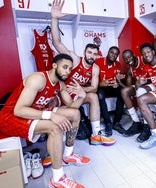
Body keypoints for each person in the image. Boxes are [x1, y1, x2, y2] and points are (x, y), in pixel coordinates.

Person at [0, 54, 87, 187]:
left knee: (75, 114)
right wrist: (50, 115)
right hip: (10, 117)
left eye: (70, 69)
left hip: (35, 111)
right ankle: (57, 179)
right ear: (54, 65)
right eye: (65, 67)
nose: (67, 71)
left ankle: (68, 155)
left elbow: (72, 106)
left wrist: (82, 96)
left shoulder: (60, 84)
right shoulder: (38, 79)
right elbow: (19, 110)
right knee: (55, 127)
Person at [51, 0, 115, 146]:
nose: (92, 56)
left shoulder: (95, 68)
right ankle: (57, 141)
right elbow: (57, 43)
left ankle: (96, 135)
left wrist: (81, 90)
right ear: (84, 53)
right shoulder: (74, 59)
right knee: (56, 103)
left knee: (93, 96)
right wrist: (54, 19)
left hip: (78, 92)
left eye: (94, 54)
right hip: (64, 92)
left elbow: (93, 87)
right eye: (89, 52)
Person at [121, 49, 154, 143]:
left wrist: (141, 83)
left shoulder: (143, 60)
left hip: (152, 85)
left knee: (140, 91)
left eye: (129, 56)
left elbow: (154, 74)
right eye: (125, 59)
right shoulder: (130, 68)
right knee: (124, 92)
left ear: (134, 55)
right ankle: (136, 122)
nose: (128, 60)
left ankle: (147, 126)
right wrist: (122, 81)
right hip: (140, 87)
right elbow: (129, 84)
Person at [95, 46, 125, 136]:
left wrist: (117, 83)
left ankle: (116, 122)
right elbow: (91, 80)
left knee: (123, 92)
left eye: (116, 54)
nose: (113, 55)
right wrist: (100, 83)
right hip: (100, 87)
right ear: (108, 52)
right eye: (112, 52)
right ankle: (108, 122)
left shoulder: (118, 64)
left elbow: (117, 79)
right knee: (100, 95)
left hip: (111, 87)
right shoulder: (98, 62)